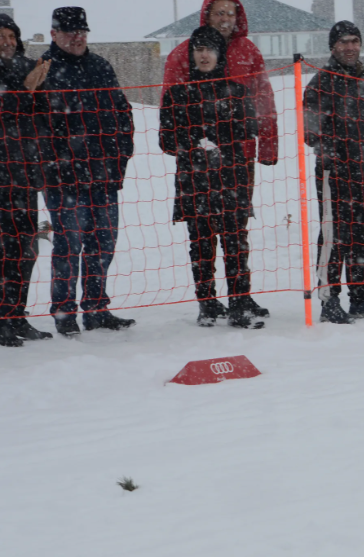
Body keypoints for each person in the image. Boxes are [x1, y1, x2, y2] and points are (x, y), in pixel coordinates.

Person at [161, 0, 276, 321]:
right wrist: (195, 141)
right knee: (201, 241)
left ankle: (240, 298)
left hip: (233, 173)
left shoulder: (238, 87)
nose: (204, 54)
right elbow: (167, 135)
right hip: (195, 176)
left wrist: (265, 144)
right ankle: (207, 302)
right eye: (199, 48)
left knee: (235, 238)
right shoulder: (178, 89)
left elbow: (258, 111)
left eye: (210, 49)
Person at [34, 7, 135, 336]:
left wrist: (120, 159)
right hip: (64, 179)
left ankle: (96, 309)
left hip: (104, 174)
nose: (77, 37)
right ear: (54, 34)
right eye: (69, 31)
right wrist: (53, 166)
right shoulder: (43, 70)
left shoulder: (100, 66)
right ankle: (64, 315)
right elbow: (34, 127)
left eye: (82, 31)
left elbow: (122, 114)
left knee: (103, 244)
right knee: (69, 246)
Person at [0, 13, 52, 346]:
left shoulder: (28, 66)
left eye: (11, 36)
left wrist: (38, 89)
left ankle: (17, 316)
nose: (6, 41)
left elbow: (45, 114)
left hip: (26, 174)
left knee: (24, 248)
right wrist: (25, 90)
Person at [303, 20, 364, 323]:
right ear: (333, 47)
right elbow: (310, 134)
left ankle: (360, 296)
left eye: (355, 41)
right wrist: (336, 152)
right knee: (334, 235)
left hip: (362, 170)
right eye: (344, 42)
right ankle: (329, 299)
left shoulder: (360, 81)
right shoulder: (320, 83)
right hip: (333, 172)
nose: (350, 46)